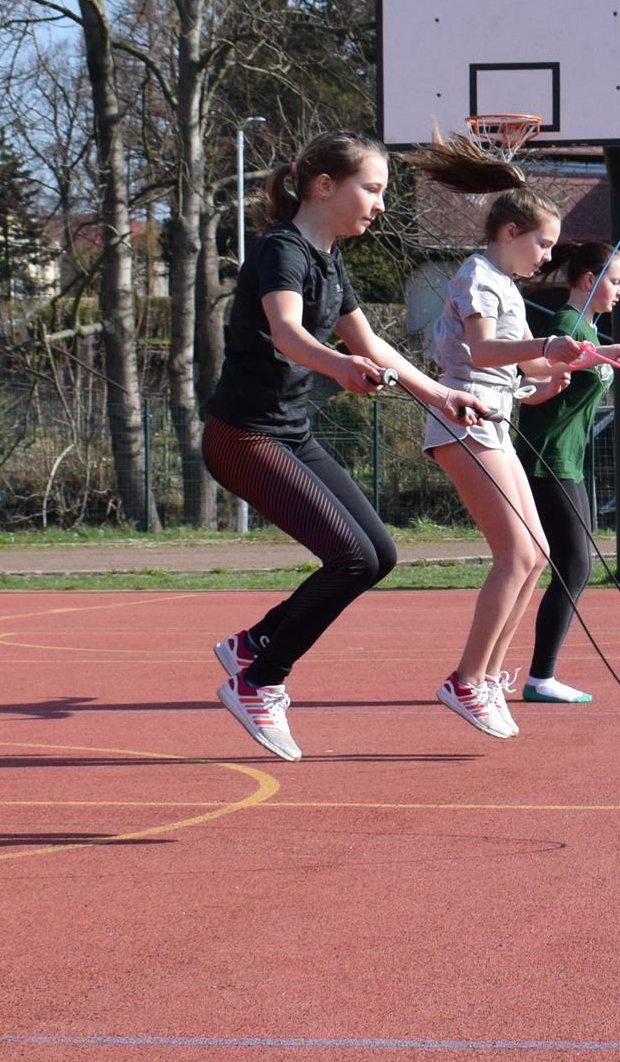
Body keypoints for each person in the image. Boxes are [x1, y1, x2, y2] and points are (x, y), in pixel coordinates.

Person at [203, 132, 489, 761]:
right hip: (242, 436)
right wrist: (337, 366)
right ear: (324, 186)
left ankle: (256, 643)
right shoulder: (281, 251)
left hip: (289, 433)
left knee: (378, 555)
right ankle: (258, 682)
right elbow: (286, 332)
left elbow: (372, 345)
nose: (381, 205)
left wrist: (441, 395)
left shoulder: (329, 259)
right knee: (351, 558)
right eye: (373, 189)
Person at [420, 153, 598, 738]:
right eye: (542, 244)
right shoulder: (477, 275)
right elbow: (481, 351)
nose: (547, 257)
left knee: (538, 553)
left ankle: (489, 676)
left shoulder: (508, 287)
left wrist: (601, 356)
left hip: (494, 420)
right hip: (464, 418)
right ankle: (467, 680)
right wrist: (544, 348)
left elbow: (531, 369)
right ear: (510, 232)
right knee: (516, 554)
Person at [515, 238, 620, 705]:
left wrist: (615, 353)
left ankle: (530, 675)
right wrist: (609, 354)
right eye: (615, 282)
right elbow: (539, 374)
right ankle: (538, 677)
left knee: (568, 564)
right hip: (546, 459)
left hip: (567, 461)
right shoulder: (565, 325)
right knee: (572, 564)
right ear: (589, 280)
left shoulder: (587, 330)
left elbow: (587, 358)